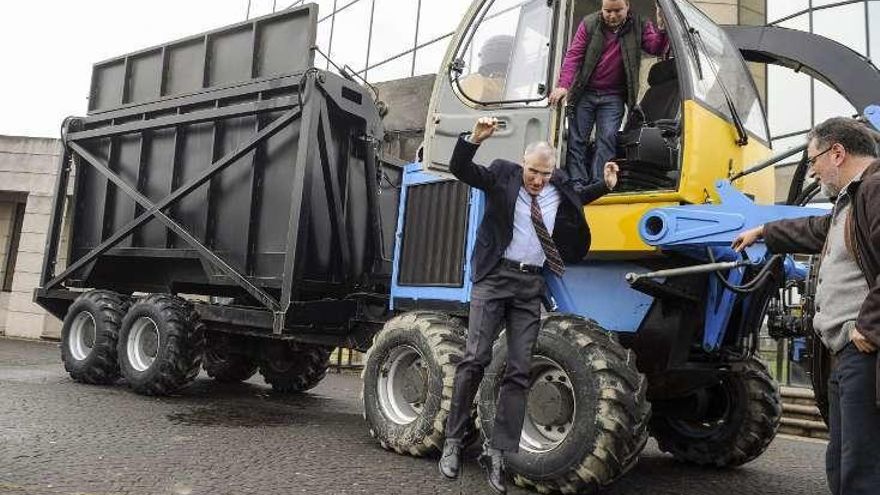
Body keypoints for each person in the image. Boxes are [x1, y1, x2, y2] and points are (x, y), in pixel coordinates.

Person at [438, 117, 619, 493]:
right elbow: (461, 169)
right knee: (475, 358)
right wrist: (473, 139)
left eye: (544, 174)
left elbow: (580, 195)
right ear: (524, 163)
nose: (538, 180)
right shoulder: (502, 176)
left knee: (519, 371)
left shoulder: (558, 185)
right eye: (533, 172)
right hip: (494, 277)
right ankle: (453, 441)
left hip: (529, 284)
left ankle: (499, 452)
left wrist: (606, 184)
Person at [732, 117, 880, 495]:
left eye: (814, 160)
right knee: (842, 460)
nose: (812, 170)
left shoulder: (876, 189)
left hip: (862, 349)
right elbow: (815, 229)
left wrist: (868, 327)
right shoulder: (851, 200)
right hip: (843, 352)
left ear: (837, 153)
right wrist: (764, 231)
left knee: (861, 465)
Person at [549, 0, 668, 183]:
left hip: (613, 97)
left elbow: (656, 48)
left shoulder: (639, 24)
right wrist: (563, 85)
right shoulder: (589, 24)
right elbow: (574, 56)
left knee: (607, 139)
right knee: (577, 140)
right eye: (607, 11)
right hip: (585, 93)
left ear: (627, 6)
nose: (612, 16)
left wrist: (661, 28)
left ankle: (599, 183)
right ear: (601, 8)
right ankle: (577, 183)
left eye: (617, 10)